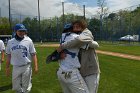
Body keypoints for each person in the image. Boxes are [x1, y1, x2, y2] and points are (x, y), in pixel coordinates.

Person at [57, 20, 100, 93]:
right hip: (81, 70)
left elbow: (95, 45)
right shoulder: (73, 38)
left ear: (82, 27)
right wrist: (61, 52)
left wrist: (90, 41)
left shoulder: (85, 35)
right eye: (74, 27)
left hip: (91, 70)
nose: (75, 29)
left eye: (78, 27)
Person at [57, 23, 89, 93]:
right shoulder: (76, 37)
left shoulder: (62, 37)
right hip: (71, 73)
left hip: (60, 73)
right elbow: (90, 45)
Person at [5, 24, 38, 93]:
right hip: (16, 67)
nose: (21, 33)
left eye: (23, 31)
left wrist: (35, 66)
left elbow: (33, 54)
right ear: (15, 31)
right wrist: (7, 68)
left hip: (26, 66)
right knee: (16, 86)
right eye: (20, 31)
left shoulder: (29, 41)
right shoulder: (10, 42)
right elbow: (8, 55)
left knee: (26, 86)